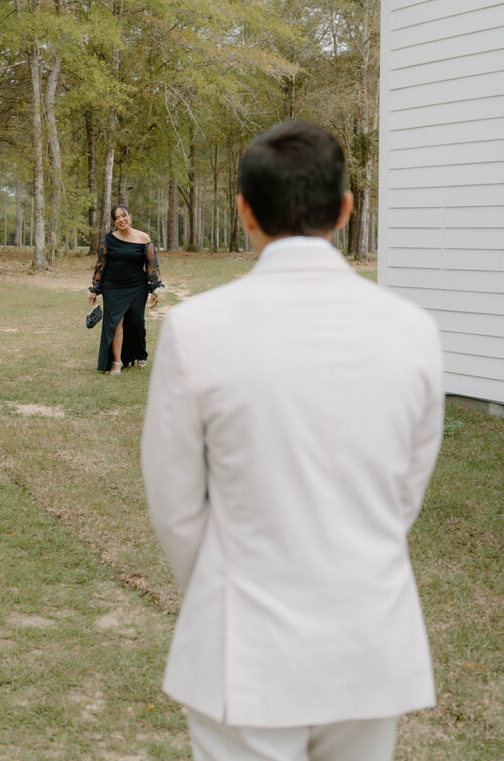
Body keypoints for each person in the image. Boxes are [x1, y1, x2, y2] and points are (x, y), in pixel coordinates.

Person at [141, 121, 444, 761]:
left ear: (245, 211)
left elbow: (174, 503)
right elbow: (404, 492)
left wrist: (223, 589)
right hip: (370, 637)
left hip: (243, 644)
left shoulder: (198, 330)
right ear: (345, 208)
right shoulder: (412, 330)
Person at [88, 205, 163, 374]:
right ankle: (116, 362)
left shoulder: (144, 238)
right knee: (116, 322)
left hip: (137, 286)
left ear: (130, 216)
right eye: (117, 218)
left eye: (123, 216)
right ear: (114, 222)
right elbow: (101, 264)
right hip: (112, 286)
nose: (121, 220)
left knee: (136, 320)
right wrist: (94, 288)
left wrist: (155, 289)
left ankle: (140, 353)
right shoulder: (109, 239)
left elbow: (152, 265)